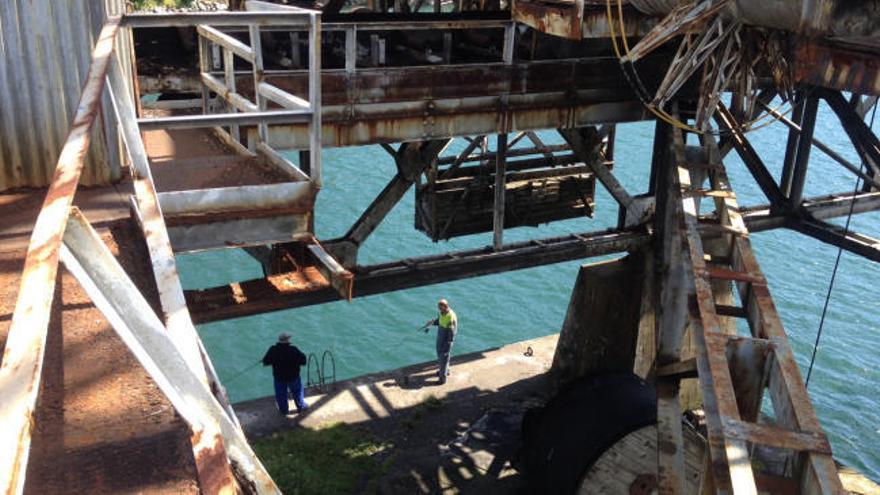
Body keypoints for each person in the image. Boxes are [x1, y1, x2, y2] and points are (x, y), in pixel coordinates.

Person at [262, 332, 308, 415]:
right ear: (288, 340)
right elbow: (303, 361)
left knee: (281, 395)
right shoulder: (293, 349)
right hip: (293, 376)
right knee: (297, 392)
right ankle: (301, 406)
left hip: (279, 378)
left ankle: (284, 411)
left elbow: (265, 362)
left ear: (279, 340)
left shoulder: (273, 350)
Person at [425, 299, 458, 384]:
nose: (439, 310)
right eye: (439, 308)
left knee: (443, 358)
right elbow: (440, 320)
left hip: (445, 340)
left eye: (440, 308)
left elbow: (451, 333)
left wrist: (448, 344)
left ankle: (442, 379)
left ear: (445, 307)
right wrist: (432, 322)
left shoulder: (450, 317)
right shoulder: (442, 313)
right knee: (444, 358)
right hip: (440, 337)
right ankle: (445, 371)